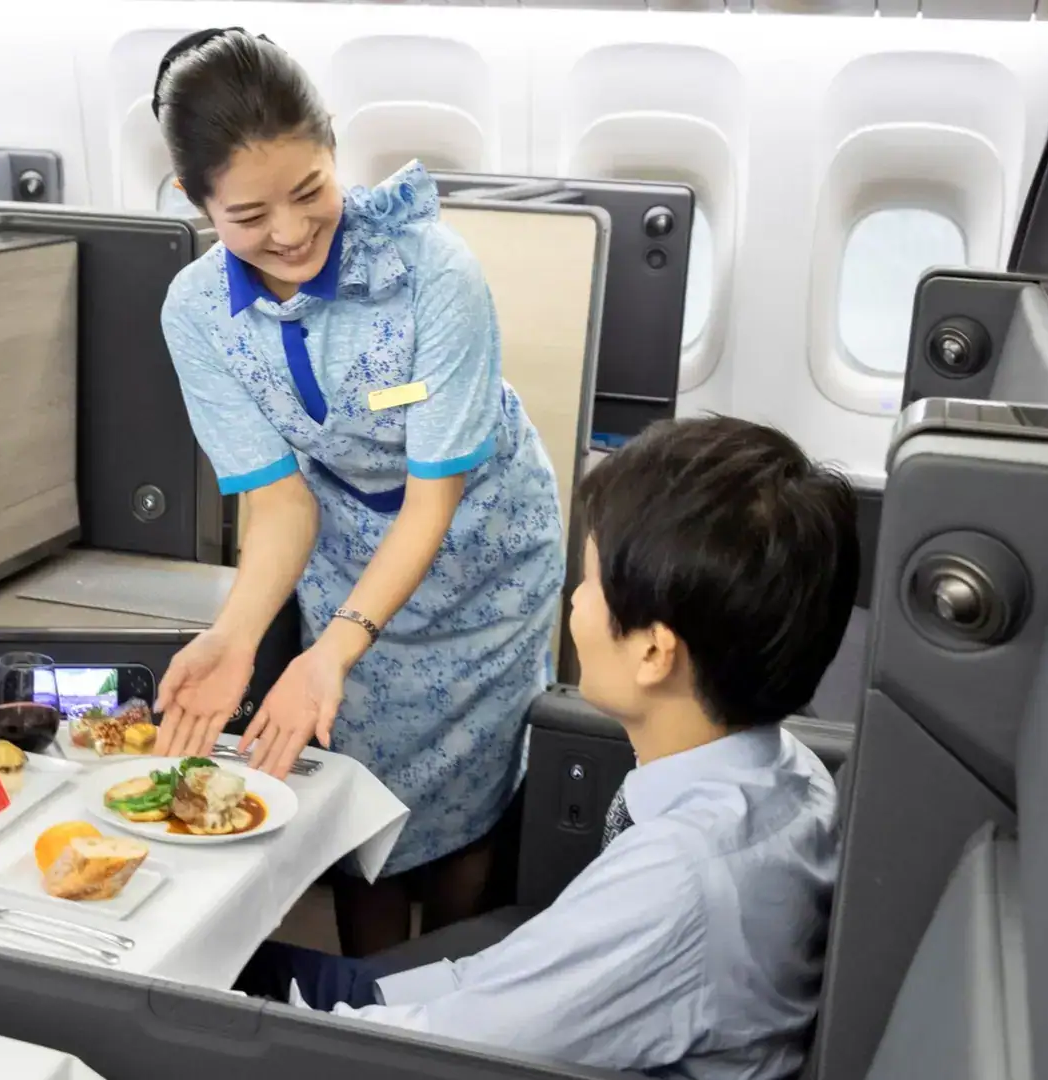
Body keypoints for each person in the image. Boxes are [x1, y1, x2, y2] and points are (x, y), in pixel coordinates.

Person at [235, 416, 860, 1080]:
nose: (574, 602)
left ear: (653, 651)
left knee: (180, 994)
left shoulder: (678, 880)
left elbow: (438, 1051)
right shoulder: (793, 778)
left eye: (589, 583)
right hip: (499, 1007)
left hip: (447, 1051)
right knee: (244, 969)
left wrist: (301, 1024)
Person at [147, 26, 567, 954]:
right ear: (194, 200)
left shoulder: (434, 275)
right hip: (338, 552)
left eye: (309, 191)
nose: (290, 233)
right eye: (250, 216)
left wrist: (333, 650)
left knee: (467, 805)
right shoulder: (197, 315)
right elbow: (282, 500)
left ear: (334, 148)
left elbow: (434, 501)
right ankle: (370, 999)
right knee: (357, 799)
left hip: (484, 558)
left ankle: (451, 986)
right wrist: (237, 635)